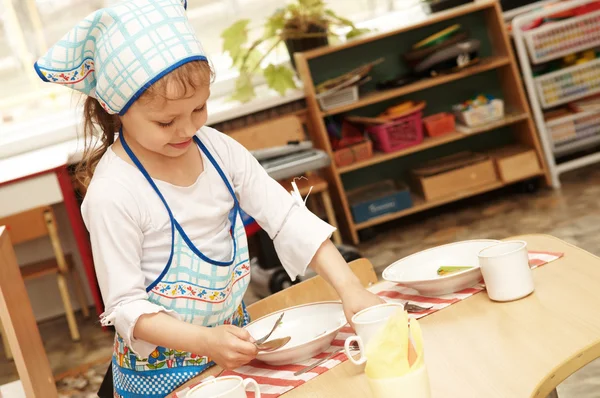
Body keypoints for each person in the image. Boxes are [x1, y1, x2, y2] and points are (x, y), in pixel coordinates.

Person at [34, 0, 383, 396]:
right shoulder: (113, 194)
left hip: (231, 351)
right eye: (166, 121)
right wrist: (205, 342)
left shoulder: (218, 150)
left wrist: (349, 287)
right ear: (117, 109)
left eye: (199, 108)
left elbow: (285, 215)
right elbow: (127, 306)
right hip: (159, 379)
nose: (187, 130)